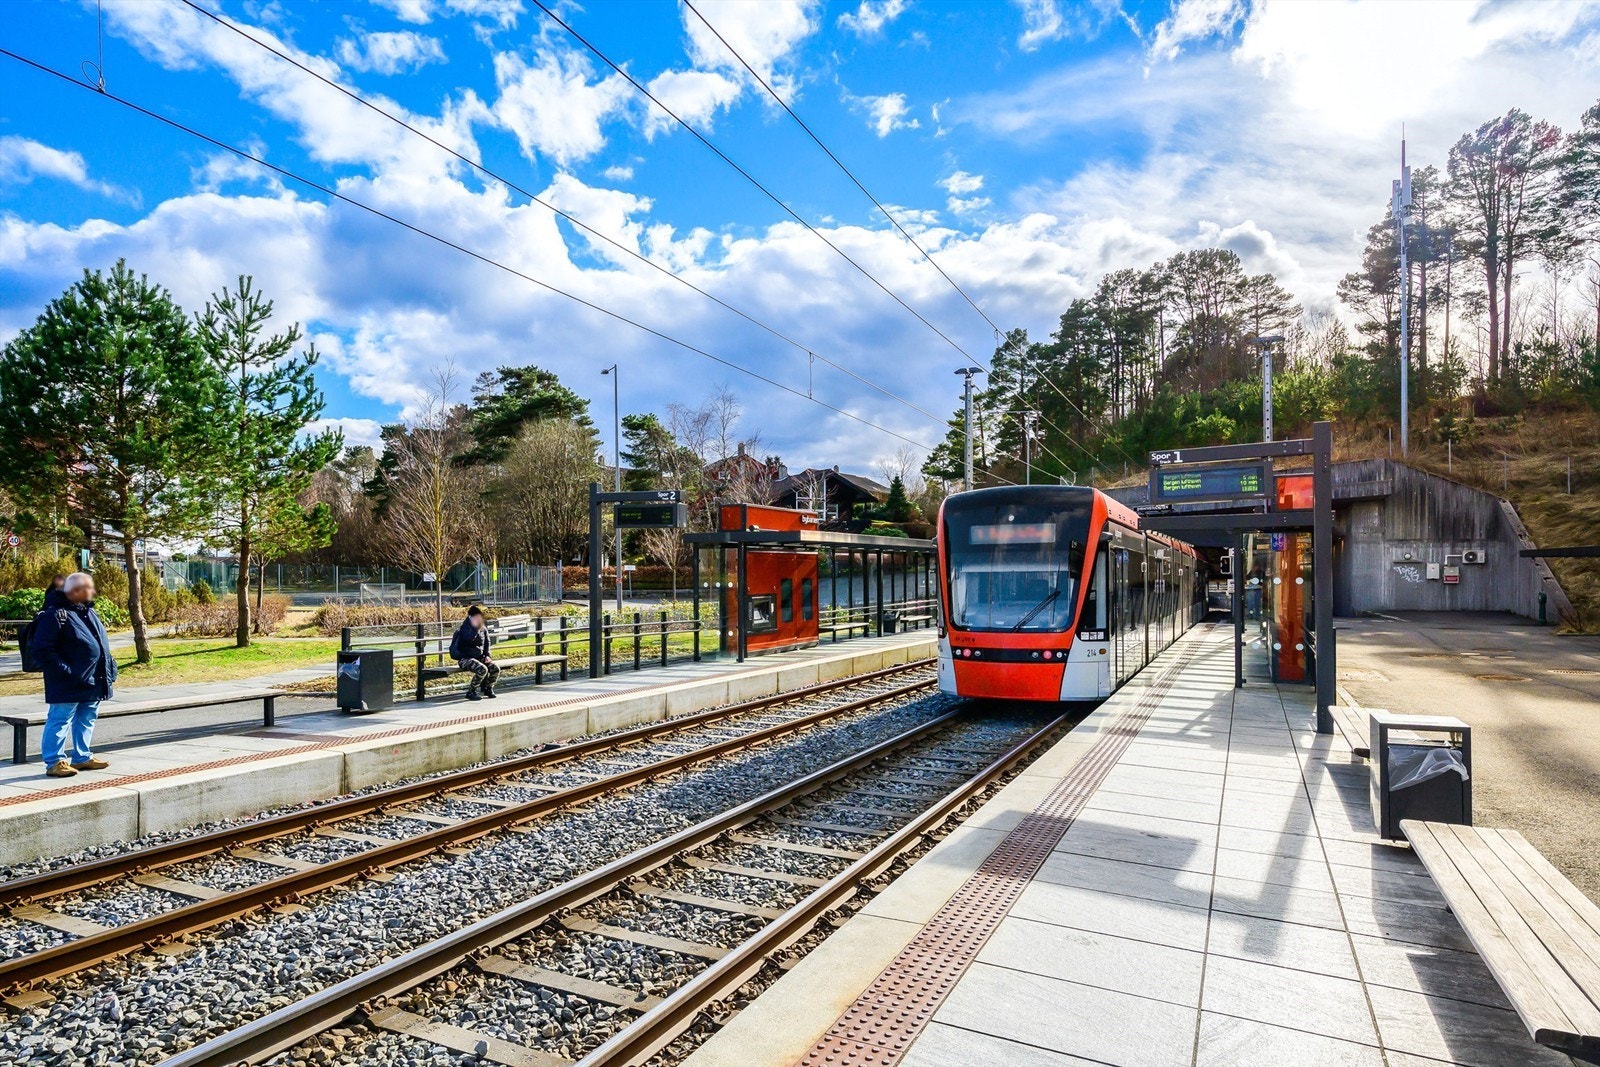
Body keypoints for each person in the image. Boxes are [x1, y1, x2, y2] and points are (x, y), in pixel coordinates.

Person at [29, 572, 117, 777]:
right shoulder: (55, 614)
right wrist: (67, 672)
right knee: (60, 720)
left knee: (87, 718)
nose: (90, 591)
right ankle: (54, 761)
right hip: (67, 681)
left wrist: (110, 669)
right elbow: (43, 651)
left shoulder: (88, 612)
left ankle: (82, 757)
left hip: (94, 679)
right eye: (85, 587)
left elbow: (101, 646)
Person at [448, 605, 499, 701]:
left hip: (479, 657)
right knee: (482, 669)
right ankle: (471, 692)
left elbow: (487, 643)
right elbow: (469, 639)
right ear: (471, 617)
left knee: (495, 668)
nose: (479, 620)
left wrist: (487, 655)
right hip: (465, 658)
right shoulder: (464, 629)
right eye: (477, 618)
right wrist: (475, 629)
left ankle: (488, 688)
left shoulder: (483, 628)